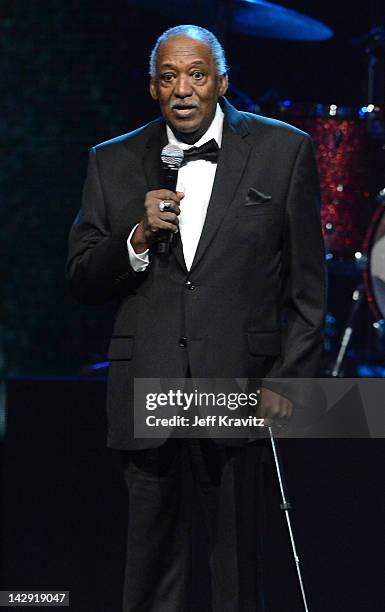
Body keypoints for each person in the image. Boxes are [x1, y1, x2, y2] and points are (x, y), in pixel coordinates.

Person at [67, 25, 326, 612]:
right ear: (153, 89)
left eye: (197, 75)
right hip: (149, 391)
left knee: (237, 572)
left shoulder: (284, 150)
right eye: (169, 77)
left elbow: (308, 291)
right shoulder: (111, 160)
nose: (184, 89)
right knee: (152, 571)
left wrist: (288, 381)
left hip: (238, 390)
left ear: (222, 82)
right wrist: (133, 237)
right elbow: (80, 276)